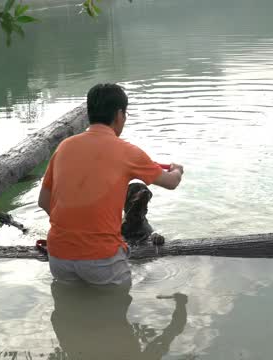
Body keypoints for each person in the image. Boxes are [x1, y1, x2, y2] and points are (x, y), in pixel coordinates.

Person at [38, 83, 184, 286]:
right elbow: (171, 182)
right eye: (125, 114)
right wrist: (177, 169)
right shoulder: (127, 151)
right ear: (119, 114)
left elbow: (44, 201)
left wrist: (73, 232)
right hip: (102, 259)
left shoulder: (64, 147)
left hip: (59, 257)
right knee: (117, 311)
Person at [50, 281, 187, 359]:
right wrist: (181, 305)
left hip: (65, 271)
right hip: (74, 285)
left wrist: (181, 304)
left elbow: (173, 331)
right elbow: (172, 331)